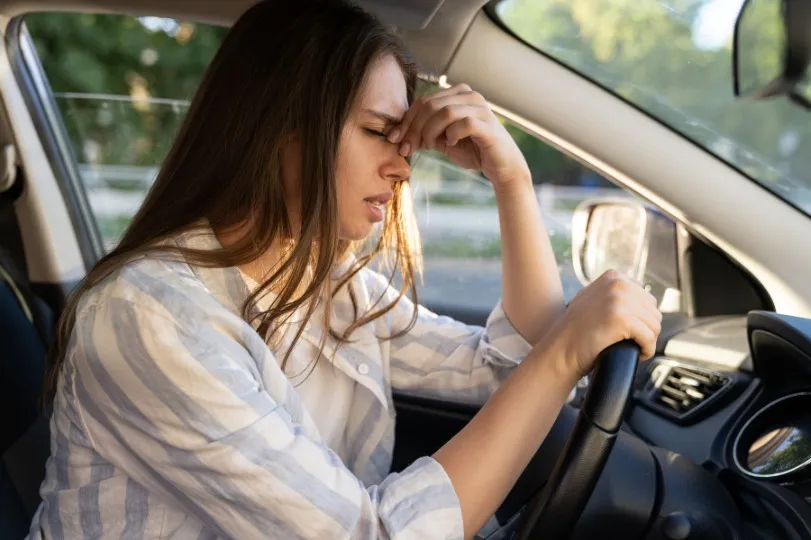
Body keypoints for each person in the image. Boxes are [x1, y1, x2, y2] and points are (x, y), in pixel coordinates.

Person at [28, 0, 662, 538]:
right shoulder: (147, 317)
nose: (403, 167)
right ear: (283, 128)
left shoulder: (321, 281)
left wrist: (512, 180)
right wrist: (561, 354)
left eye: (403, 139)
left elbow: (508, 369)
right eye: (378, 131)